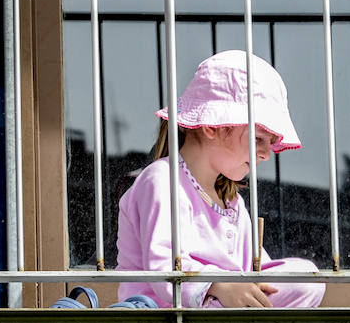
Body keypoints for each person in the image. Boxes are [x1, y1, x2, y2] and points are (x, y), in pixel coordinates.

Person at [115, 50, 326, 309]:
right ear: (213, 126)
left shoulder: (231, 201)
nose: (266, 154)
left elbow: (255, 273)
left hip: (220, 317)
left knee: (306, 277)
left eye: (270, 144)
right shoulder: (162, 180)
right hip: (168, 319)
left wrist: (252, 286)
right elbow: (164, 265)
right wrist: (218, 285)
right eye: (258, 139)